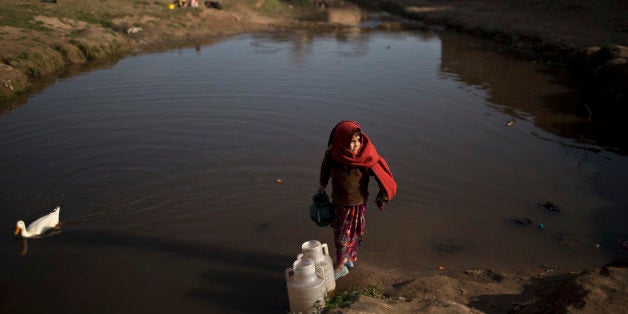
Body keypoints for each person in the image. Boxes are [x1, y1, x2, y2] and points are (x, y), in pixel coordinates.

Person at [318, 121, 397, 279]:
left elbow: (383, 176)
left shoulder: (365, 158)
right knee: (342, 233)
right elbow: (325, 168)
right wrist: (322, 184)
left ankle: (341, 265)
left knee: (345, 235)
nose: (356, 145)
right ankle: (347, 260)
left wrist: (383, 195)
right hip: (339, 202)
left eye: (358, 140)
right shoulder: (333, 155)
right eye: (352, 141)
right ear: (341, 142)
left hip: (356, 204)